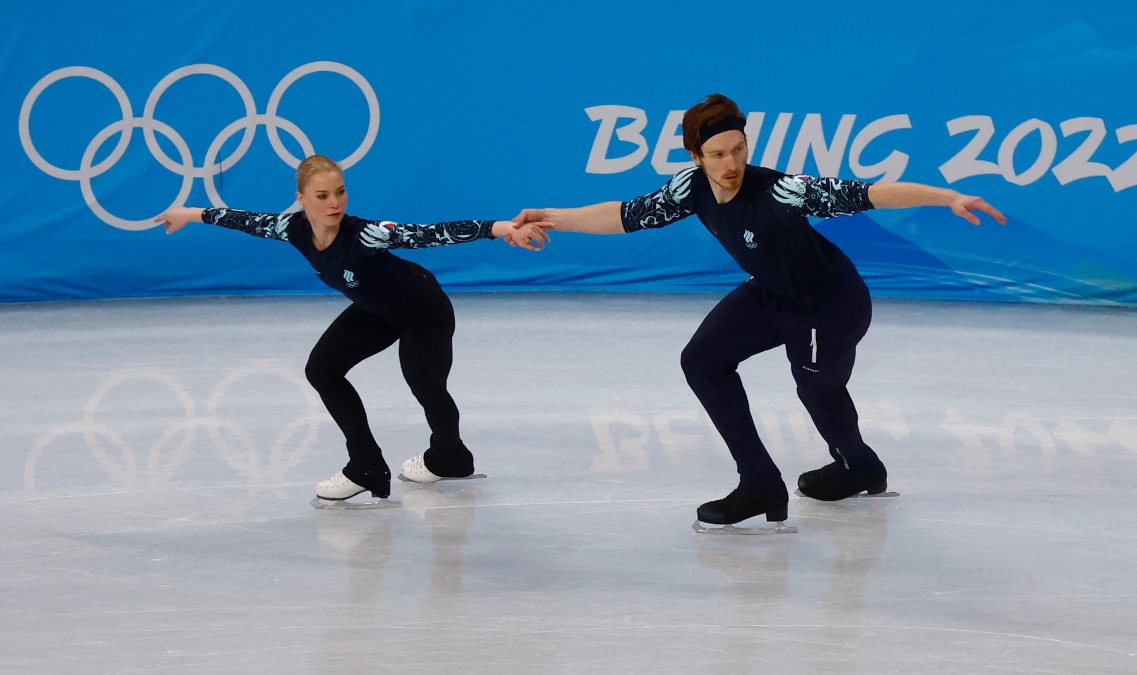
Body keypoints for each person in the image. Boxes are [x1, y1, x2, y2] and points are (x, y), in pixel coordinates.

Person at [511, 94, 1005, 527]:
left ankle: (860, 466)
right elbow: (625, 215)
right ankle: (761, 482)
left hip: (828, 305)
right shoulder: (691, 188)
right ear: (695, 156)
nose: (731, 163)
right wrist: (550, 217)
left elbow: (870, 192)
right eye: (718, 154)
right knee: (702, 361)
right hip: (770, 293)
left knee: (815, 389)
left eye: (739, 149)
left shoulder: (780, 192)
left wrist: (949, 197)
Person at [156, 154, 550, 502]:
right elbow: (244, 220)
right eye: (323, 195)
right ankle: (366, 466)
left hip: (422, 309)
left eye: (340, 192)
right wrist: (190, 213)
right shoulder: (291, 228)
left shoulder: (366, 234)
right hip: (376, 308)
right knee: (322, 370)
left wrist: (502, 228)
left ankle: (450, 457)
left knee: (425, 386)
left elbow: (431, 233)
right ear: (302, 199)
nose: (335, 203)